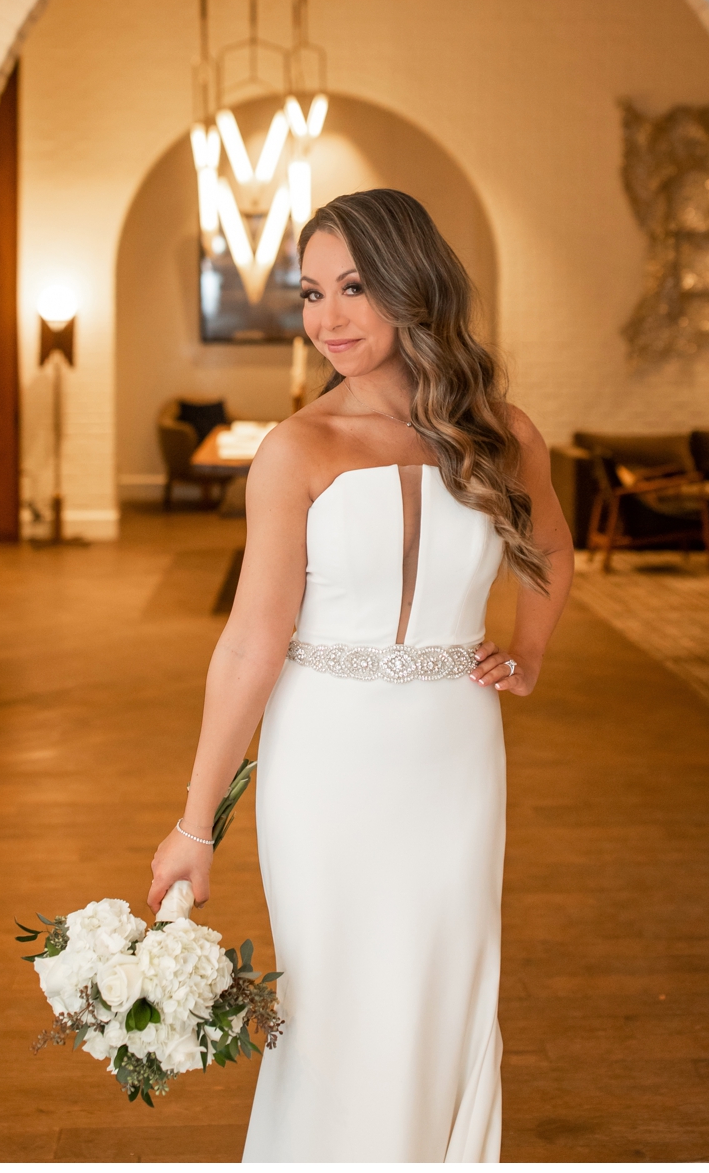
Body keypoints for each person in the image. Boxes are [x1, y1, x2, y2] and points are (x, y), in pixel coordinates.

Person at [146, 188, 573, 1161]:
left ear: (412, 287)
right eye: (310, 292)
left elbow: (552, 548)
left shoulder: (504, 434)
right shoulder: (297, 448)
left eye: (353, 286)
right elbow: (252, 643)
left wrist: (531, 653)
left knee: (444, 980)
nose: (327, 316)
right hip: (324, 758)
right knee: (331, 995)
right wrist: (194, 821)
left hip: (455, 753)